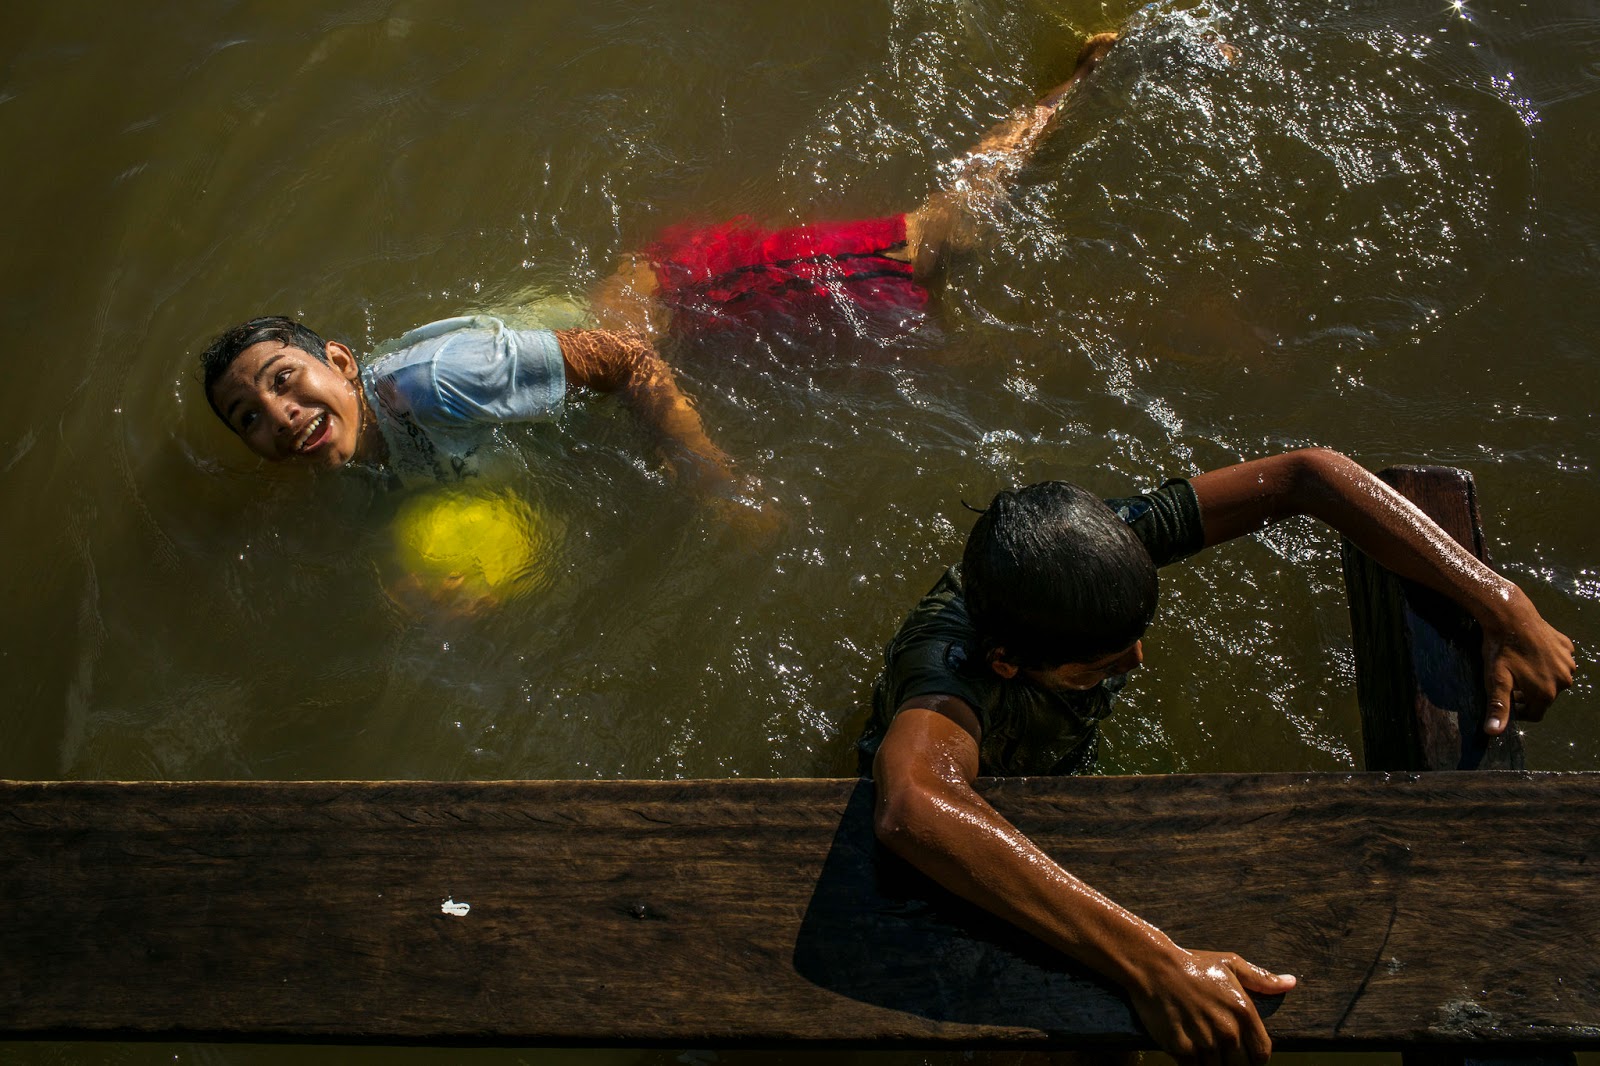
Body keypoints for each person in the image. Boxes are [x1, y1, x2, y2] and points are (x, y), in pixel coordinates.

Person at [860, 447, 1576, 1065]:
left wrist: (1503, 605)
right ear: (1009, 663)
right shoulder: (953, 667)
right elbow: (912, 804)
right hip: (964, 823)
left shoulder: (1098, 548)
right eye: (1103, 664)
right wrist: (1158, 966)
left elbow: (1308, 475)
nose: (1137, 662)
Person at [198, 34, 1121, 499]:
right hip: (677, 331)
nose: (279, 416)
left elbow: (626, 361)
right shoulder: (355, 445)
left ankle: (1089, 78)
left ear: (343, 363)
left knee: (936, 241)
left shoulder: (442, 380)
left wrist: (707, 480)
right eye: (250, 417)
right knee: (933, 347)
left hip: (696, 303)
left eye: (285, 382)